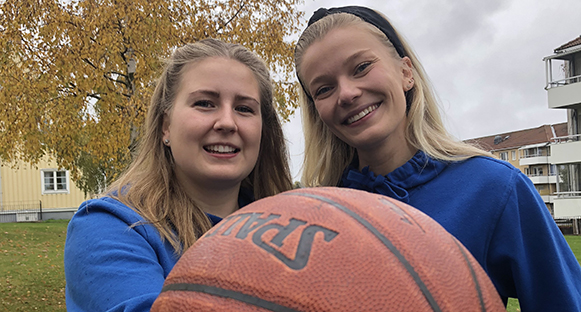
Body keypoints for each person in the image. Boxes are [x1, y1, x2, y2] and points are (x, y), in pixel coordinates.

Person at [294, 6, 581, 311]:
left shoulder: (495, 189)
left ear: (406, 72)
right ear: (317, 112)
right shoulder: (315, 216)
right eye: (324, 89)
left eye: (362, 67)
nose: (347, 93)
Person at [64, 38, 293, 311]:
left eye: (244, 109)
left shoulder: (294, 229)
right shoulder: (108, 227)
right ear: (166, 127)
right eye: (205, 103)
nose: (227, 123)